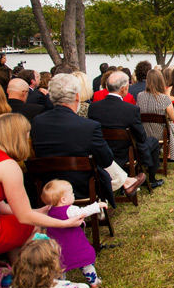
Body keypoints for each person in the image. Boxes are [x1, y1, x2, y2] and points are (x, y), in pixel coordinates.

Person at [32, 74, 146, 206]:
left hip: (48, 185)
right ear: (77, 96)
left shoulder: (37, 122)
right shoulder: (88, 126)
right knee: (98, 159)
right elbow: (107, 159)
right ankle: (125, 182)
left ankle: (126, 181)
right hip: (82, 187)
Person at [0, 113, 86, 263]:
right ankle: (26, 276)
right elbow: (24, 216)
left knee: (17, 223)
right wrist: (64, 223)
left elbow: (2, 208)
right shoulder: (7, 166)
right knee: (33, 227)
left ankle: (14, 273)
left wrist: (37, 212)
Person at [88, 71, 164, 189]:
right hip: (125, 152)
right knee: (153, 141)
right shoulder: (131, 109)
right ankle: (152, 179)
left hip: (102, 151)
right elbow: (141, 136)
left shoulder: (93, 107)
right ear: (123, 89)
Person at [42, 180, 105, 288]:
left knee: (60, 266)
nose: (73, 195)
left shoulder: (50, 210)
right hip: (76, 244)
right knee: (85, 262)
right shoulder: (69, 210)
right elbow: (83, 211)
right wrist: (97, 206)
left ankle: (60, 284)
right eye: (71, 193)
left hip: (59, 247)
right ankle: (94, 282)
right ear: (63, 199)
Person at [136, 69, 174, 160]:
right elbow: (172, 117)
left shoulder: (140, 96)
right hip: (161, 133)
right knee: (172, 124)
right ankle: (171, 153)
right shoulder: (163, 98)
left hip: (145, 131)